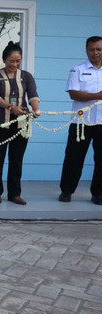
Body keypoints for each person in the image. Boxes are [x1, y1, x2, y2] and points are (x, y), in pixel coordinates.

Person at [0, 42, 41, 205]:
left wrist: (36, 109)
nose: (15, 64)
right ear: (4, 60)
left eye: (18, 61)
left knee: (16, 159)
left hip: (21, 123)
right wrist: (11, 108)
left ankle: (15, 194)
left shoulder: (26, 76)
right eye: (12, 61)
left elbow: (33, 95)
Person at [59, 36, 102, 204]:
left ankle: (98, 194)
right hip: (81, 122)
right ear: (86, 50)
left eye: (99, 49)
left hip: (101, 122)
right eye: (92, 49)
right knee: (74, 158)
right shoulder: (77, 70)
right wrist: (98, 96)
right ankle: (66, 191)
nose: (95, 52)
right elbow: (73, 93)